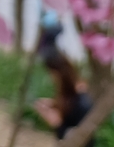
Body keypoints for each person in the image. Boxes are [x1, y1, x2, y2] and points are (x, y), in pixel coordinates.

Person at [33, 14, 93, 145]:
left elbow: (83, 140)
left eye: (52, 75)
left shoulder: (82, 102)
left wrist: (57, 123)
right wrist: (54, 105)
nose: (51, 79)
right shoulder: (72, 94)